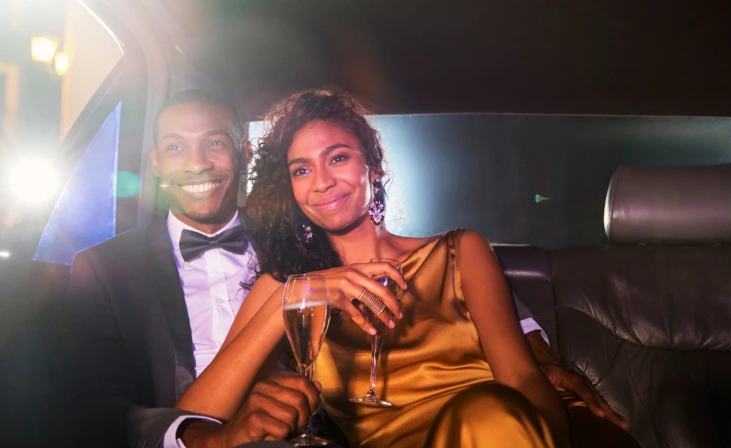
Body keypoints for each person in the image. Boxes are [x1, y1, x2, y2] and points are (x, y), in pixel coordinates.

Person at [172, 88, 570, 448]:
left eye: (338, 158)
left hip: (498, 431)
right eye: (302, 170)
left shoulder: (460, 251)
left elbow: (521, 379)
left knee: (487, 410)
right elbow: (193, 418)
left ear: (373, 168)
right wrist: (297, 294)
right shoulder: (286, 286)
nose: (322, 182)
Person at [63, 89, 319, 448]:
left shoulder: (293, 247)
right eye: (175, 148)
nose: (197, 164)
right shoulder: (105, 269)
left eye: (214, 143)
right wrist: (202, 437)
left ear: (244, 153)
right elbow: (95, 406)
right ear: (155, 162)